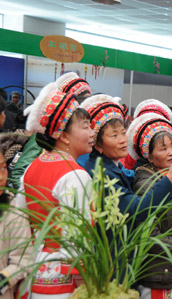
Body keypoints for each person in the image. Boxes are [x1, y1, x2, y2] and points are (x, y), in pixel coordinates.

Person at [15, 84, 94, 298]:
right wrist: (85, 284)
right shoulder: (76, 175)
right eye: (86, 127)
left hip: (34, 273)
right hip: (64, 282)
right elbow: (78, 236)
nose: (92, 132)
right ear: (64, 136)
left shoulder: (33, 166)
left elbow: (19, 220)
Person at [80, 95, 172, 222]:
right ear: (97, 144)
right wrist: (171, 178)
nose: (123, 140)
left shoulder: (114, 166)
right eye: (114, 135)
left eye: (123, 133)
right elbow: (136, 209)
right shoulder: (100, 174)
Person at [128, 112, 172, 298]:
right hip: (158, 275)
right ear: (149, 157)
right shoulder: (146, 183)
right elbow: (149, 236)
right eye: (163, 148)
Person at [10, 74, 92, 189]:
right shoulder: (47, 134)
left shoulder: (86, 137)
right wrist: (34, 197)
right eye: (83, 101)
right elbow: (18, 172)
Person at [0, 150, 32, 299]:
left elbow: (23, 260)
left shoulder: (13, 211)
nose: (1, 177)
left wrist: (4, 279)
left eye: (3, 168)